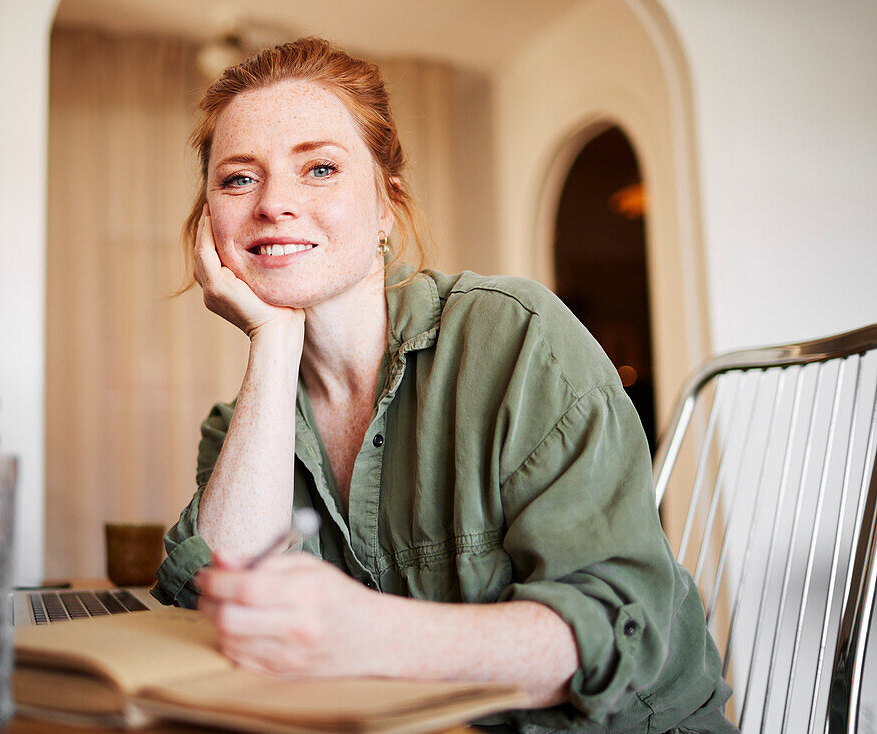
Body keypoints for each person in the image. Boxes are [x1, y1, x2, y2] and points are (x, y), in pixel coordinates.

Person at [153, 37, 736, 733]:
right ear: (208, 226)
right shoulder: (244, 422)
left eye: (319, 168)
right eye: (238, 179)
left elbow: (617, 632)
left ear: (384, 210)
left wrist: (372, 634)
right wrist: (273, 340)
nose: (274, 203)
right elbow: (213, 613)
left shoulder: (517, 338)